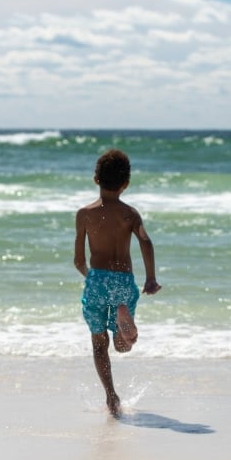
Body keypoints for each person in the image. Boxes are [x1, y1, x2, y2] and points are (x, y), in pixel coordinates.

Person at [75, 149, 161, 416]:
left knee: (99, 343)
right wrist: (150, 278)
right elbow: (146, 242)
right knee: (122, 346)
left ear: (95, 178)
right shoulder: (130, 214)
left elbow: (78, 261)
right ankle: (124, 322)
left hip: (97, 280)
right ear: (126, 184)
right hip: (123, 281)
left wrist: (92, 279)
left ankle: (111, 397)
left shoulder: (85, 214)